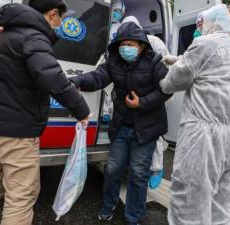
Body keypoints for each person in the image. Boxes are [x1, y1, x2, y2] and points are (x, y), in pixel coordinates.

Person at [0, 1, 90, 225]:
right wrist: (81, 109)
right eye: (60, 18)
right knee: (21, 198)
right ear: (52, 14)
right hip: (15, 135)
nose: (60, 24)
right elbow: (53, 79)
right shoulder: (33, 37)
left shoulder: (7, 34)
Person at [69, 22, 171, 225]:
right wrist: (77, 81)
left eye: (131, 44)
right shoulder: (114, 60)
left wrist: (142, 102)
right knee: (113, 169)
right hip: (122, 125)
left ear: (141, 46)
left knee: (138, 174)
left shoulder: (154, 61)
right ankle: (109, 205)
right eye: (122, 44)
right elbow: (98, 77)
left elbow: (167, 89)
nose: (126, 48)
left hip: (147, 128)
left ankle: (134, 216)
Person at [160, 4, 230, 225]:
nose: (198, 31)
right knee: (221, 207)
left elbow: (172, 83)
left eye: (200, 26)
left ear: (210, 24)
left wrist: (162, 78)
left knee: (189, 202)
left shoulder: (202, 44)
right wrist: (178, 59)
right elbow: (209, 67)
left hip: (204, 138)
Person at [121, 15, 170, 190]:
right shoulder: (122, 43)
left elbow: (166, 70)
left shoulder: (154, 43)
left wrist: (153, 96)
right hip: (132, 94)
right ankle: (137, 166)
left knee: (153, 133)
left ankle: (156, 169)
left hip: (152, 94)